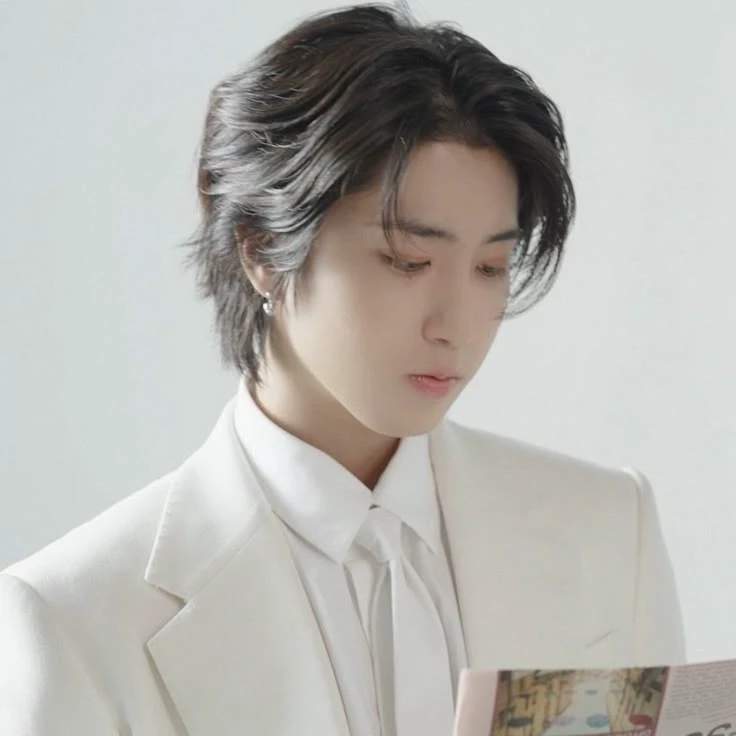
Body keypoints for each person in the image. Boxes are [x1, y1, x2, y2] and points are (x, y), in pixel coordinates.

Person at [0, 2, 686, 734]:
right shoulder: (76, 620)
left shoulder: (609, 530)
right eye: (407, 261)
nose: (455, 326)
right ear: (262, 250)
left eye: (491, 266)